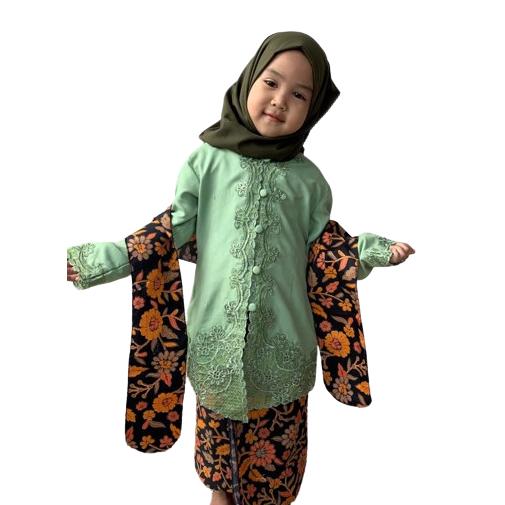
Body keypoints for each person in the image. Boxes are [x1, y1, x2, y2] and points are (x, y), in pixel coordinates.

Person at [67, 32, 414, 505]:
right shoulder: (206, 161)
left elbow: (325, 251)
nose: (280, 100)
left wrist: (371, 251)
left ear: (313, 110)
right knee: (221, 480)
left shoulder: (310, 183)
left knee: (275, 484)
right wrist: (100, 262)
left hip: (283, 358)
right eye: (271, 82)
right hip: (217, 355)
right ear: (249, 80)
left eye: (299, 95)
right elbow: (167, 232)